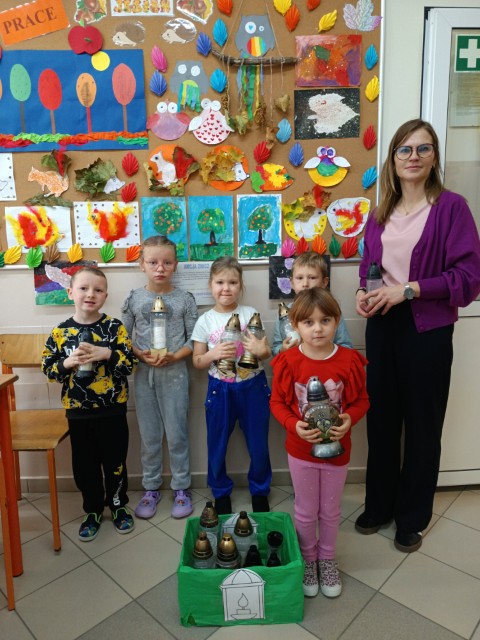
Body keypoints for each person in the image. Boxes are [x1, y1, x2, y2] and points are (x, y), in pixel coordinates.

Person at [354, 118, 480, 553]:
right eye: (404, 150)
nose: (413, 157)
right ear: (392, 159)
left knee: (422, 425)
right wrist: (363, 293)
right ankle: (379, 505)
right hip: (382, 326)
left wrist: (408, 290)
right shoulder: (380, 214)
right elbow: (369, 268)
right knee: (381, 420)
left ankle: (412, 517)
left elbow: (468, 278)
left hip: (427, 330)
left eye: (423, 149)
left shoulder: (452, 208)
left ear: (434, 157)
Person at [270, 288, 369, 598]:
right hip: (301, 452)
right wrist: (293, 425)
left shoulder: (349, 360)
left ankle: (327, 559)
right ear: (295, 325)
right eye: (308, 322)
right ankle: (308, 559)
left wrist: (350, 418)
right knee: (305, 510)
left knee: (330, 509)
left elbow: (361, 401)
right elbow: (277, 403)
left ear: (337, 321)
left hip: (338, 452)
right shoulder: (287, 361)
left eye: (325, 320)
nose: (317, 329)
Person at [42, 267, 137, 541]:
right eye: (83, 288)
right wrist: (67, 363)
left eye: (97, 290)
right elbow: (48, 370)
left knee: (115, 462)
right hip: (78, 413)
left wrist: (107, 354)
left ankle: (118, 506)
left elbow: (129, 365)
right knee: (85, 466)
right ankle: (93, 510)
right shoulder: (60, 332)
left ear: (105, 296)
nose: (90, 294)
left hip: (112, 410)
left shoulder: (114, 328)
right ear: (70, 292)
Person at [122, 235, 198, 519]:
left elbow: (195, 339)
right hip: (144, 375)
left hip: (175, 374)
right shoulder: (134, 298)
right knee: (150, 436)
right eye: (153, 262)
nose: (160, 268)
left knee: (177, 434)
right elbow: (122, 337)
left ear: (175, 265)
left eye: (166, 262)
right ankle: (151, 488)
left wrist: (175, 356)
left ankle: (181, 488)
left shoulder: (184, 299)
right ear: (142, 264)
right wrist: (141, 355)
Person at [191, 256, 272, 515]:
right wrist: (213, 354)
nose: (226, 288)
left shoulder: (251, 314)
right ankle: (220, 492)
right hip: (220, 389)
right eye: (220, 282)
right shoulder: (205, 320)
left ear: (241, 285)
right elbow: (197, 361)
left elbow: (266, 352)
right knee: (217, 443)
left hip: (253, 387)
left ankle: (260, 490)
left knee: (258, 443)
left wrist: (261, 350)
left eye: (233, 282)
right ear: (210, 285)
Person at [272, 252, 353, 355]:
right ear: (292, 283)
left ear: (324, 282)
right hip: (295, 363)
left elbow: (346, 346)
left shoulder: (332, 310)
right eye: (300, 278)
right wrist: (282, 350)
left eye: (312, 278)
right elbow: (276, 348)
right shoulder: (284, 313)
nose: (305, 284)